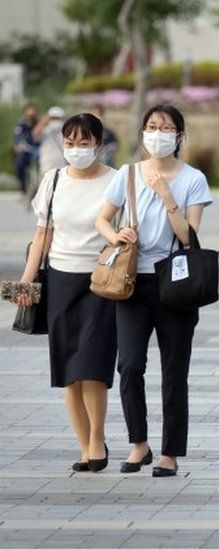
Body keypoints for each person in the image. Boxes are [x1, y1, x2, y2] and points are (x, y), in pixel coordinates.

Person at [95, 104, 213, 478]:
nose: (157, 134)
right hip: (131, 282)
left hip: (174, 283)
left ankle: (170, 452)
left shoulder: (193, 178)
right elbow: (101, 218)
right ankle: (138, 443)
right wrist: (116, 235)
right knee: (129, 365)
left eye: (166, 128)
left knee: (174, 369)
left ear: (179, 135)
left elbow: (188, 236)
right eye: (151, 126)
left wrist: (166, 194)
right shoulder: (127, 174)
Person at [14, 113, 118, 473]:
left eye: (84, 142)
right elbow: (42, 236)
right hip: (60, 280)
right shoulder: (54, 179)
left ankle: (97, 441)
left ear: (99, 144)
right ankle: (85, 444)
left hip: (100, 283)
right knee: (68, 371)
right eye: (70, 143)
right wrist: (27, 283)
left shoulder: (116, 182)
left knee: (93, 365)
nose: (76, 150)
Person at [32, 107, 68, 193]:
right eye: (53, 118)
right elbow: (35, 135)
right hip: (47, 160)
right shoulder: (45, 129)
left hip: (62, 160)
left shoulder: (66, 129)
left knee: (61, 185)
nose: (55, 121)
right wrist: (43, 122)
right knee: (46, 186)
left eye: (57, 118)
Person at [12, 103, 39, 196]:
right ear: (25, 112)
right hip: (25, 149)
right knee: (19, 164)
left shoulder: (39, 123)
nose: (31, 113)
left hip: (37, 148)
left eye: (33, 110)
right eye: (29, 110)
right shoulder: (21, 124)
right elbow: (17, 136)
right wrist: (16, 146)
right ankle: (22, 186)